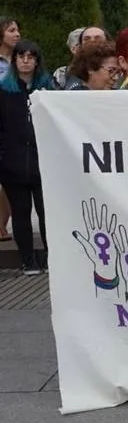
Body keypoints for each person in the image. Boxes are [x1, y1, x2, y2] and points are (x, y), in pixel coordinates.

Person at [0, 41, 53, 275]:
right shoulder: (4, 90)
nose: (25, 61)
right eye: (21, 56)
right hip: (13, 163)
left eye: (31, 56)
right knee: (20, 214)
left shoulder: (47, 90)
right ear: (14, 61)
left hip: (44, 163)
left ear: (37, 61)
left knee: (47, 213)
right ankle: (27, 260)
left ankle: (52, 257)